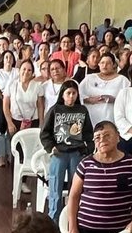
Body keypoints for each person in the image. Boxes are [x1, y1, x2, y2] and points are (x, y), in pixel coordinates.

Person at [65, 119, 132, 233]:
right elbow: (74, 196)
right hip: (89, 229)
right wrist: (72, 227)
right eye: (97, 138)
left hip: (120, 230)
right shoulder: (86, 164)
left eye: (107, 136)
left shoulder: (131, 163)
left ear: (118, 137)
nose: (102, 140)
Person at [39, 80, 94, 223]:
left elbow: (89, 133)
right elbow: (45, 133)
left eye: (74, 93)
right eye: (68, 93)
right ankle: (53, 220)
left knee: (75, 189)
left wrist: (88, 149)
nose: (71, 96)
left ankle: (71, 220)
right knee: (55, 189)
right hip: (59, 154)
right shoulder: (55, 110)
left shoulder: (82, 110)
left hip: (76, 153)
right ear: (62, 95)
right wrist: (51, 147)